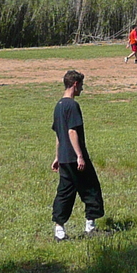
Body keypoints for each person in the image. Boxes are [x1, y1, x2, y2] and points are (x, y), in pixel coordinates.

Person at [50, 69, 104, 239]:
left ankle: (59, 230)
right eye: (81, 85)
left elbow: (59, 134)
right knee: (91, 189)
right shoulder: (72, 105)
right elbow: (72, 132)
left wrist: (58, 156)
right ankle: (90, 228)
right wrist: (80, 156)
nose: (82, 89)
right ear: (75, 84)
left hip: (65, 158)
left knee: (65, 192)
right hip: (74, 158)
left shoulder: (58, 105)